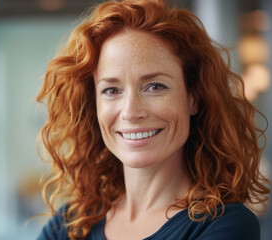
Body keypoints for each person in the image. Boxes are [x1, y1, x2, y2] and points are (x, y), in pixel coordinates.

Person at [35, 0, 270, 239]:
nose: (131, 111)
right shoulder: (67, 225)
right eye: (112, 90)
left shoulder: (225, 224)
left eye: (155, 86)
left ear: (195, 97)